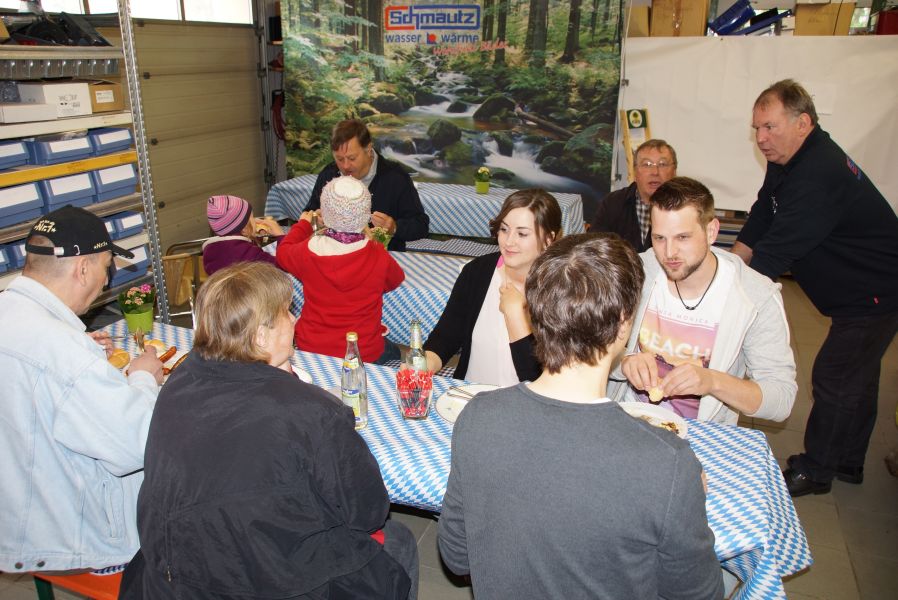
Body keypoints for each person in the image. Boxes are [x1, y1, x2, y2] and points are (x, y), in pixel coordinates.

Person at [438, 233, 724, 599]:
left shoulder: (477, 416)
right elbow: (698, 594)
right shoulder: (668, 463)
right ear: (624, 324)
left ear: (534, 313)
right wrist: (684, 495)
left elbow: (457, 556)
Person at [119, 262, 418, 600]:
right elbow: (368, 513)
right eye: (286, 312)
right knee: (400, 542)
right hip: (266, 585)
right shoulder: (314, 412)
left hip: (173, 577)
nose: (295, 319)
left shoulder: (180, 381)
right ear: (260, 337)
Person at [731, 79, 898, 496]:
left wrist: (725, 295)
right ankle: (847, 461)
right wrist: (731, 263)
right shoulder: (788, 158)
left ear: (802, 123)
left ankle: (817, 470)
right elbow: (764, 213)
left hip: (875, 291)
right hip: (862, 288)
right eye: (756, 129)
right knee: (860, 376)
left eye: (769, 127)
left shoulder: (818, 173)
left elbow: (775, 253)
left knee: (835, 376)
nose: (761, 138)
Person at [0, 205, 163, 572]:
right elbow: (136, 444)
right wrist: (143, 378)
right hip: (71, 537)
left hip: (14, 514)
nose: (105, 282)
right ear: (83, 268)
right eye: (106, 268)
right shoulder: (63, 351)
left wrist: (80, 349)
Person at [610, 177, 796, 425]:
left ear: (711, 231)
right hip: (630, 417)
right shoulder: (636, 273)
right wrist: (624, 361)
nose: (669, 253)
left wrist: (712, 381)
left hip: (704, 431)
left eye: (683, 237)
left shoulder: (755, 297)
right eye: (660, 238)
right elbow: (589, 351)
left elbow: (781, 400)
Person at [423, 189, 561, 384]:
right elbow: (446, 337)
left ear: (548, 239)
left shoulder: (562, 289)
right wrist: (424, 365)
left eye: (522, 234)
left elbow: (540, 380)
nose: (509, 241)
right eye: (504, 229)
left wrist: (515, 315)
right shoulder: (477, 272)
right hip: (471, 393)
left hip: (526, 401)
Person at [277, 175, 404, 364]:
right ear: (365, 215)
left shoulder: (307, 251)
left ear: (325, 212)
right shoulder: (377, 254)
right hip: (363, 353)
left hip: (312, 348)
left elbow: (282, 252)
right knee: (395, 351)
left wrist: (303, 225)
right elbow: (395, 279)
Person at [304, 119, 429, 251]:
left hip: (383, 255)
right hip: (335, 254)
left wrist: (394, 227)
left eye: (352, 158)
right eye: (339, 159)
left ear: (368, 149)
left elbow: (421, 225)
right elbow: (308, 213)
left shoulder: (396, 178)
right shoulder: (329, 174)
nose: (345, 166)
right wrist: (314, 220)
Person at [589, 138, 678, 251]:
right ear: (635, 172)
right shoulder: (613, 203)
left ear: (674, 171)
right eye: (647, 164)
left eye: (662, 164)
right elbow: (593, 249)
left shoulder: (686, 207)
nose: (655, 172)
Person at [202, 194, 284, 275]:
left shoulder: (210, 251)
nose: (256, 220)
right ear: (245, 228)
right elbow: (282, 266)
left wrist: (263, 237)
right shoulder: (250, 254)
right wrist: (281, 236)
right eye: (252, 217)